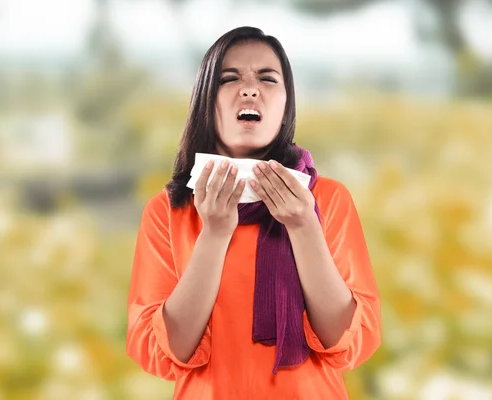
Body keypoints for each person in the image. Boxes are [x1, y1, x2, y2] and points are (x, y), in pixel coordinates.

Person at [126, 26, 381, 399]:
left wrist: (304, 226)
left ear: (285, 102)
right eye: (229, 79)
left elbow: (346, 340)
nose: (250, 88)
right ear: (205, 101)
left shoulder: (328, 199)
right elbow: (168, 350)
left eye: (267, 78)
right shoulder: (169, 210)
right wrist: (214, 234)